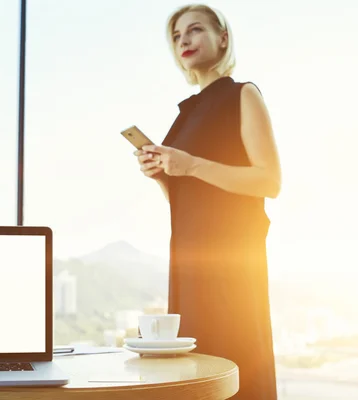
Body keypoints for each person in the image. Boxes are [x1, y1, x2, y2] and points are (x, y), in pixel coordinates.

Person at [135, 4, 281, 399]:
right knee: (197, 376)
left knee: (237, 368)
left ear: (223, 37)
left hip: (233, 262)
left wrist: (191, 164)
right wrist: (163, 177)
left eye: (195, 30)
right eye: (177, 36)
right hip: (189, 261)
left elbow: (269, 181)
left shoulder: (242, 95)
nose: (184, 41)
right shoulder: (183, 116)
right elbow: (187, 200)